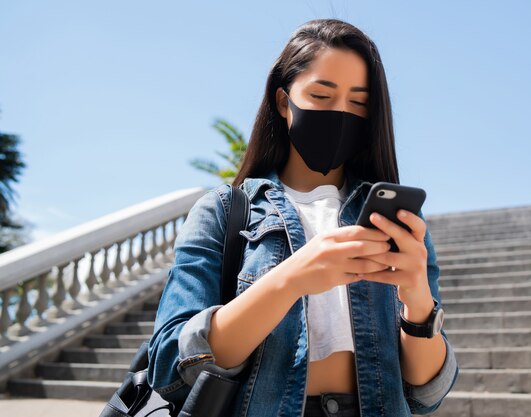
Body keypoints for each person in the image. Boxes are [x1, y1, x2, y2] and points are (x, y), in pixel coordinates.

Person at [148, 18, 458, 417]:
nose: (341, 113)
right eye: (322, 95)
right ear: (283, 101)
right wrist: (291, 278)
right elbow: (169, 364)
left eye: (358, 102)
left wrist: (418, 300)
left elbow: (427, 393)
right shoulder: (224, 209)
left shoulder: (397, 220)